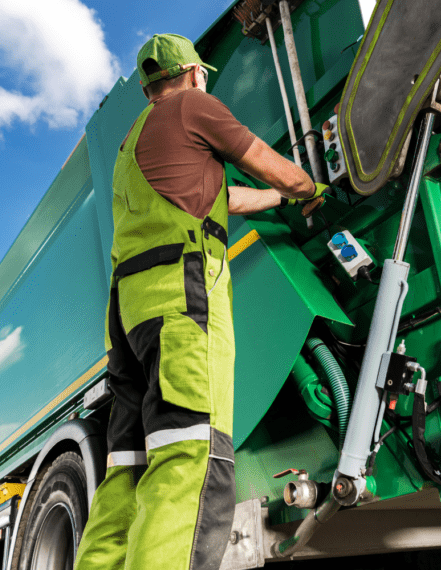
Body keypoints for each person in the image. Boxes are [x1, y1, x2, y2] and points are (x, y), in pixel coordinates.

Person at [74, 33, 327, 570]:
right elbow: (263, 162)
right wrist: (309, 188)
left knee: (129, 469)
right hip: (180, 301)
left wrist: (278, 200)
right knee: (191, 457)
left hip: (129, 318)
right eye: (203, 74)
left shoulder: (131, 143)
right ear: (191, 73)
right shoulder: (195, 106)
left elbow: (229, 197)